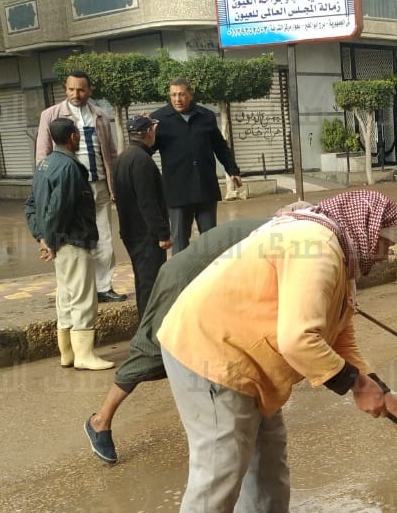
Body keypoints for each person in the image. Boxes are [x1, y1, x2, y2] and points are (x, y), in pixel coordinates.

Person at [154, 190, 397, 513]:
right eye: (383, 244)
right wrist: (358, 389)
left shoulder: (337, 249)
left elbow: (340, 334)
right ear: (364, 230)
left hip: (244, 356)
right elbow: (300, 340)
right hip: (211, 353)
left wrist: (387, 394)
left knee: (267, 449)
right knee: (218, 472)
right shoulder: (318, 250)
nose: (385, 254)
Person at [83, 217, 268, 466]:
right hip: (182, 281)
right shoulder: (289, 238)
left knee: (203, 351)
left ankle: (218, 423)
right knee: (154, 351)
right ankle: (100, 421)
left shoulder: (286, 230)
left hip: (205, 284)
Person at [24, 118, 114, 370]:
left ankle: (68, 353)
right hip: (73, 240)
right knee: (84, 298)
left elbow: (31, 205)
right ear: (74, 136)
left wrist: (42, 237)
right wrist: (49, 239)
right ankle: (84, 355)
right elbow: (59, 208)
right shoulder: (70, 168)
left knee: (65, 296)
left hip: (57, 241)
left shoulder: (44, 165)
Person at [36, 71, 126, 303]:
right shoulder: (51, 115)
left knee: (104, 238)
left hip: (99, 187)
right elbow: (42, 155)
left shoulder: (100, 116)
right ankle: (73, 290)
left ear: (89, 90)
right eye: (71, 89)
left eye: (81, 90)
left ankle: (104, 286)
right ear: (65, 89)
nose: (76, 94)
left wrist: (115, 185)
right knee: (71, 240)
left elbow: (111, 154)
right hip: (69, 188)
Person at [151, 79, 242, 253]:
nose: (178, 99)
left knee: (210, 240)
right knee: (179, 241)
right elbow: (146, 149)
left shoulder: (205, 116)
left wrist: (232, 170)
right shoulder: (159, 119)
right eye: (173, 95)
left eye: (182, 94)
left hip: (205, 188)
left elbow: (220, 146)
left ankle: (208, 276)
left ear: (190, 95)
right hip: (177, 191)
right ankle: (181, 279)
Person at [112, 115, 171, 317]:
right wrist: (162, 233)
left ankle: (143, 331)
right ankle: (148, 337)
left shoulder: (122, 158)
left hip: (131, 232)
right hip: (146, 235)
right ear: (149, 132)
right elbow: (148, 202)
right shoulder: (142, 161)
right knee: (151, 286)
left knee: (142, 283)